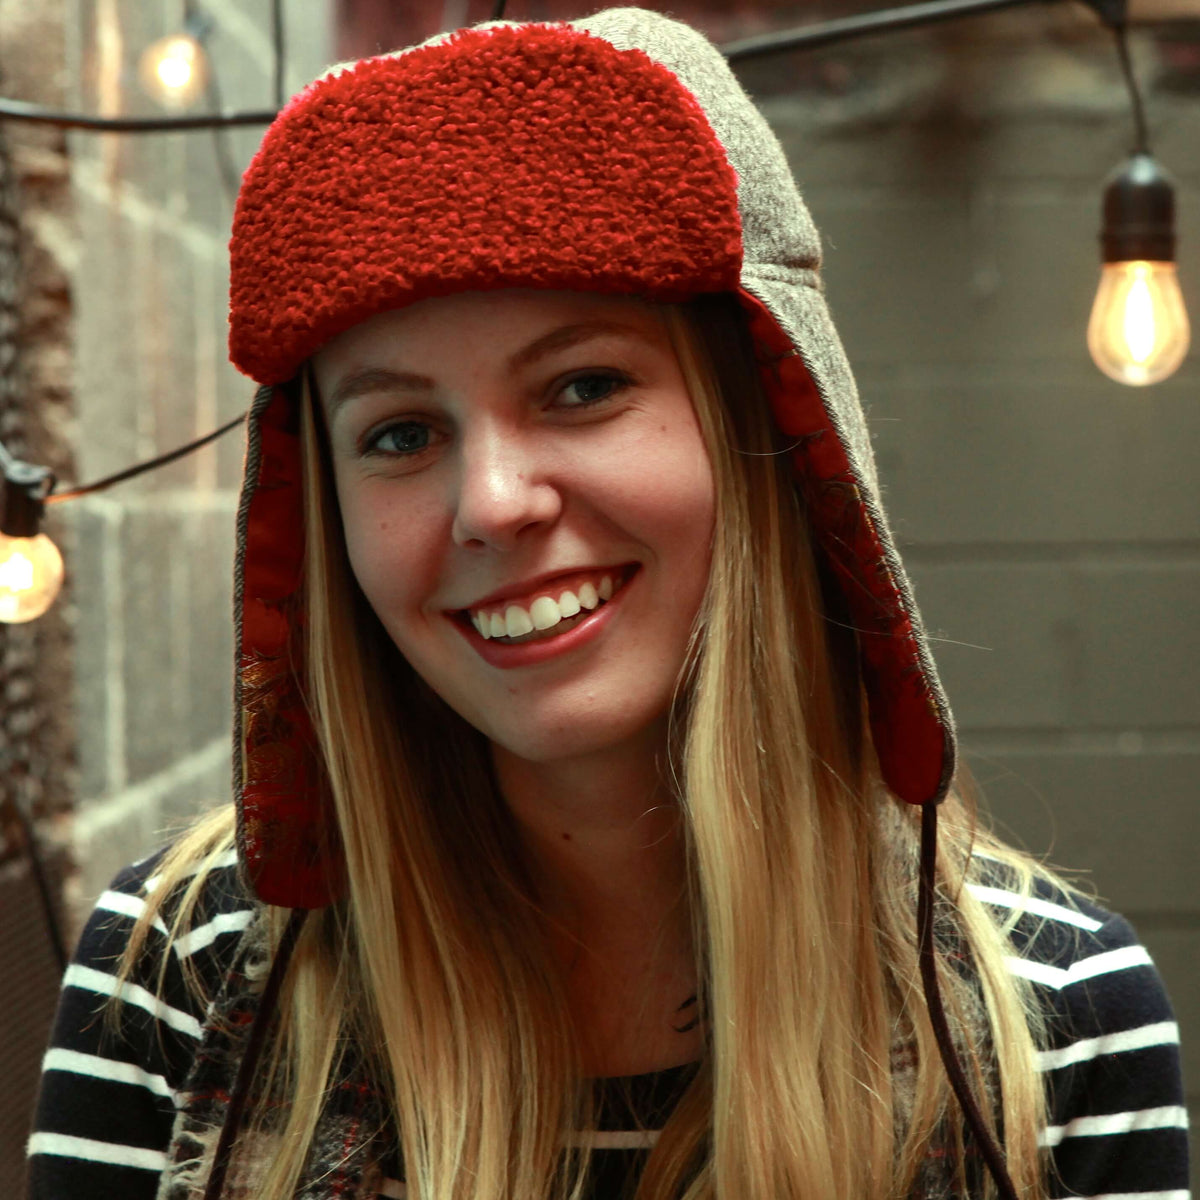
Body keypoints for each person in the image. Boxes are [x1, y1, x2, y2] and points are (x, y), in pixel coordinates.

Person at [28, 9, 1189, 1200]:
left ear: (773, 425)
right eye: (401, 432)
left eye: (583, 386)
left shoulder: (1055, 1011)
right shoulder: (178, 971)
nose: (493, 502)